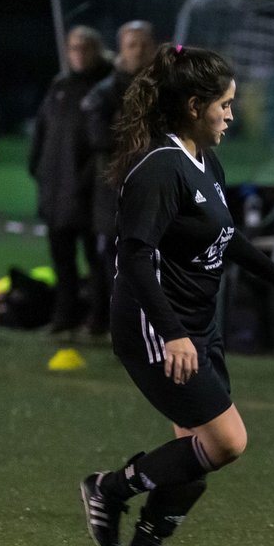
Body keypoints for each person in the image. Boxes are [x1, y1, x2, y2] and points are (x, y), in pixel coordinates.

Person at [78, 43, 274, 546]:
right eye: (225, 105)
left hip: (196, 324)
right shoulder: (160, 168)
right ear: (193, 105)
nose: (232, 115)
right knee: (225, 441)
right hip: (155, 327)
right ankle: (110, 490)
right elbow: (132, 256)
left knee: (194, 456)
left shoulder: (205, 159)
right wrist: (173, 334)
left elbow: (224, 235)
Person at [28, 26, 113, 335]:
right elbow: (41, 130)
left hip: (90, 195)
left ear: (98, 50)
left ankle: (99, 317)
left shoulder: (105, 88)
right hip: (55, 191)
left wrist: (88, 178)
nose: (79, 54)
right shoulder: (60, 86)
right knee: (62, 260)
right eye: (74, 48)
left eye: (85, 48)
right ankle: (64, 315)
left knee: (96, 260)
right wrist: (37, 166)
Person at [81, 20, 156, 335]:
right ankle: (125, 329)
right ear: (121, 49)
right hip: (117, 193)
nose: (137, 50)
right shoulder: (104, 92)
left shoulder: (165, 91)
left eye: (142, 44)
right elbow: (99, 138)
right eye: (131, 44)